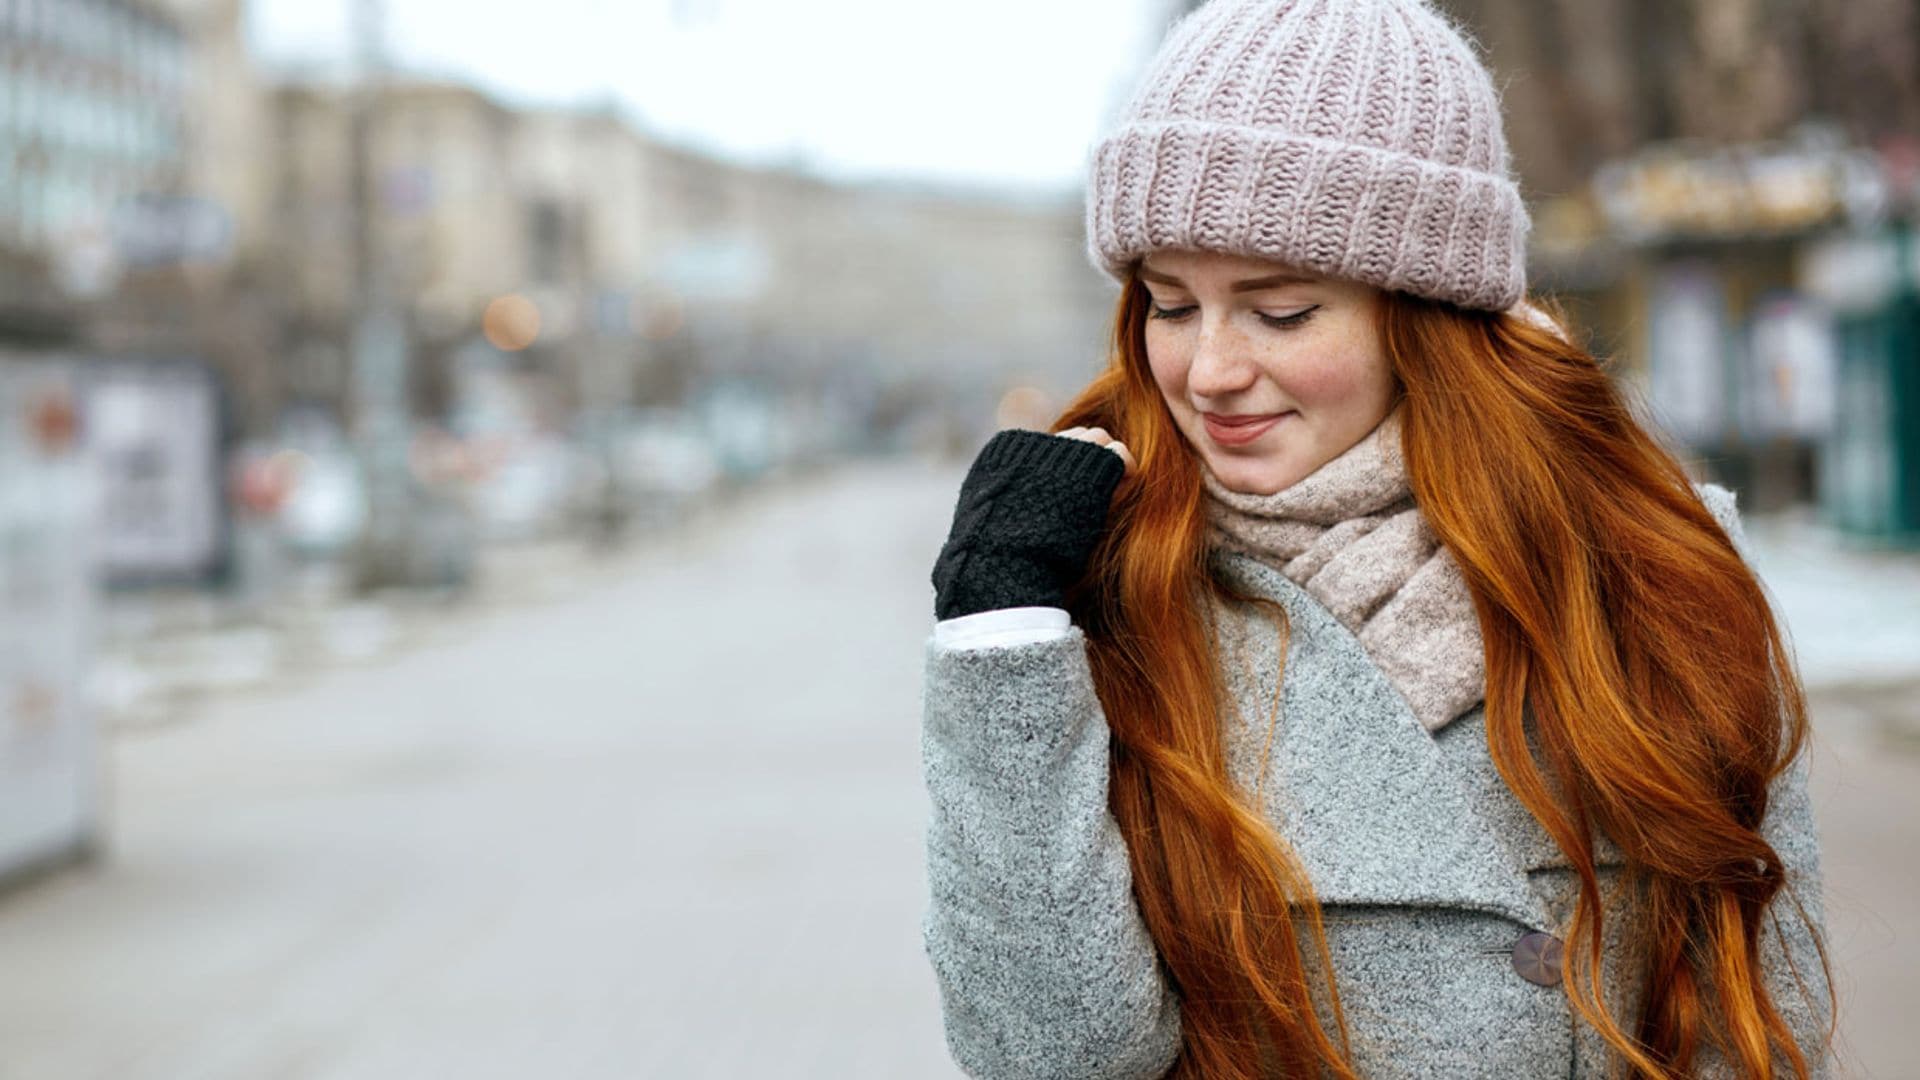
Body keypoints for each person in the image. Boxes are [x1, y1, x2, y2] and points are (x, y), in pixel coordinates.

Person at [918, 1, 1837, 1078]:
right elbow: (1050, 1055)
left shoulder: (1650, 562)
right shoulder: (1107, 590)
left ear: (1427, 314)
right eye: (1171, 305)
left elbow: (1765, 1017)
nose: (1207, 371)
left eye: (1281, 311)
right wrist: (1003, 632)